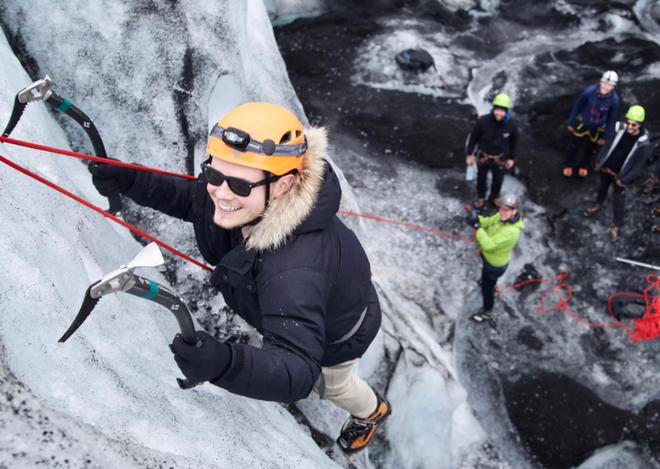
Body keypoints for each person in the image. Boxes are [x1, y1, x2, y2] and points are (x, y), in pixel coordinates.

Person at [88, 102, 391, 455]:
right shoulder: (248, 192)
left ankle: (372, 412)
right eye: (214, 175)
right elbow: (195, 200)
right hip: (315, 299)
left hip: (339, 335)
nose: (221, 192)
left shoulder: (293, 269)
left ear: (283, 186)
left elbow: (298, 368)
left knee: (334, 385)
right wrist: (134, 179)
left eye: (238, 185)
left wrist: (228, 364)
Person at [584, 105, 650, 242]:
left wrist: (625, 180)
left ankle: (617, 226)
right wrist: (600, 160)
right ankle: (600, 203)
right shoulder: (619, 129)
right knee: (602, 187)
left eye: (633, 125)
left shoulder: (643, 144)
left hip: (621, 175)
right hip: (608, 167)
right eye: (628, 123)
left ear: (639, 125)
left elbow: (638, 166)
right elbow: (608, 145)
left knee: (619, 200)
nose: (629, 127)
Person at [465, 194, 524, 325]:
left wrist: (477, 227)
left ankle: (488, 313)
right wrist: (476, 219)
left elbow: (488, 244)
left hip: (494, 266)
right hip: (490, 260)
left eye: (506, 210)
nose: (502, 212)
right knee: (488, 282)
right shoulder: (502, 217)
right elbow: (487, 223)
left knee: (486, 291)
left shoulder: (511, 231)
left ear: (514, 211)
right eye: (501, 208)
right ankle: (493, 287)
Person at [465, 93, 519, 210]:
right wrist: (469, 154)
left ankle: (494, 197)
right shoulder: (483, 121)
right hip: (483, 156)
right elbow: (473, 137)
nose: (499, 113)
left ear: (506, 111)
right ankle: (481, 197)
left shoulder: (511, 125)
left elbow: (514, 142)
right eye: (497, 110)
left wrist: (511, 158)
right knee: (481, 179)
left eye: (502, 111)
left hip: (500, 158)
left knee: (498, 180)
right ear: (493, 109)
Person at [563, 70, 620, 178]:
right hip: (583, 123)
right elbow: (578, 106)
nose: (605, 87)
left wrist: (606, 135)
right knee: (575, 145)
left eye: (609, 85)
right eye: (604, 83)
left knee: (590, 149)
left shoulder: (614, 100)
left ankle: (584, 166)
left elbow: (612, 118)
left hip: (598, 128)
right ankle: (568, 164)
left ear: (613, 87)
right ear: (600, 81)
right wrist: (571, 120)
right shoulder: (590, 92)